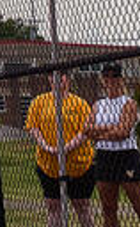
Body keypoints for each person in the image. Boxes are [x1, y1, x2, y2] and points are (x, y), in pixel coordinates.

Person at [25, 72, 96, 227]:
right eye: (51, 76)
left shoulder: (79, 103)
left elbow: (86, 131)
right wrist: (46, 146)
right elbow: (33, 127)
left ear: (67, 79)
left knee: (81, 205)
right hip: (49, 164)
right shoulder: (39, 101)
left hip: (78, 165)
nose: (55, 79)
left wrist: (66, 148)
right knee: (53, 206)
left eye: (59, 76)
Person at [87, 63, 140, 227]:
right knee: (108, 209)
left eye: (114, 76)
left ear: (121, 79)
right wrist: (111, 129)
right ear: (102, 79)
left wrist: (99, 134)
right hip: (104, 156)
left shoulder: (129, 103)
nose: (110, 80)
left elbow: (123, 132)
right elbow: (87, 130)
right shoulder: (98, 105)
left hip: (126, 156)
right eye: (106, 76)